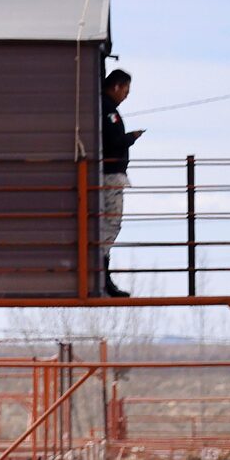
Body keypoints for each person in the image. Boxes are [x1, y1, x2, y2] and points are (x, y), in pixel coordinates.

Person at [99, 68, 139, 297]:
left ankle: (102, 276)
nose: (126, 95)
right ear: (116, 86)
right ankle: (103, 276)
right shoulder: (108, 111)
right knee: (111, 225)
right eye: (125, 89)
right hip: (111, 175)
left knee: (108, 225)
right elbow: (113, 141)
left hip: (108, 174)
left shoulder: (103, 108)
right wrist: (130, 139)